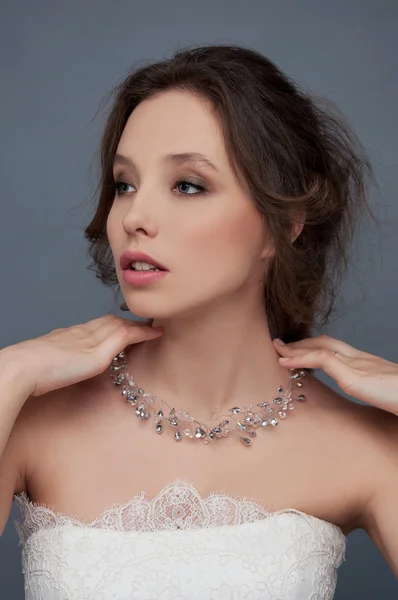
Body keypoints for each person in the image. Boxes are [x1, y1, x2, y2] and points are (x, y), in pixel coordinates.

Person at [0, 43, 397, 599]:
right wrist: (9, 373)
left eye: (188, 185)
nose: (135, 218)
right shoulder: (28, 420)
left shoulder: (365, 449)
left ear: (285, 224)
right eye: (124, 184)